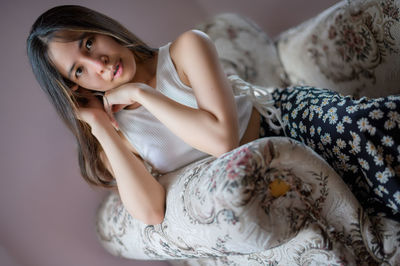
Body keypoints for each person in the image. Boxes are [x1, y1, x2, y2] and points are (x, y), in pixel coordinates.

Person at [27, 5, 400, 224]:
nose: (97, 62)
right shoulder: (116, 133)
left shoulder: (187, 48)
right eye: (78, 70)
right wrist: (97, 126)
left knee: (365, 126)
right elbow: (151, 212)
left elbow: (223, 139)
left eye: (88, 42)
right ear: (75, 87)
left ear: (101, 29)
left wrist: (143, 92)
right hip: (271, 165)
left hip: (288, 119)